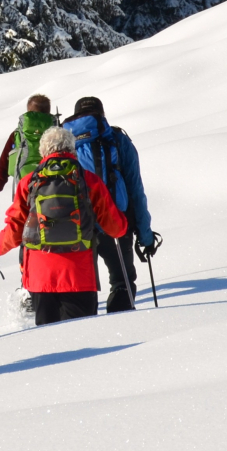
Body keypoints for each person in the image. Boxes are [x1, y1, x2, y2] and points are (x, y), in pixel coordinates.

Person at [0, 126, 128, 326]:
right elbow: (116, 228)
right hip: (79, 276)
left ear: (43, 152)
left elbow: (15, 227)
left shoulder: (29, 182)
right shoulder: (90, 180)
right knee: (83, 340)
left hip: (40, 277)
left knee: (51, 344)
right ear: (72, 150)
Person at [63, 96, 155, 312]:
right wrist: (145, 236)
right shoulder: (116, 139)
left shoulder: (66, 143)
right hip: (116, 222)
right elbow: (135, 189)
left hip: (78, 228)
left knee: (84, 289)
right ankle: (123, 331)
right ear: (101, 115)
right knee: (122, 283)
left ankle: (88, 332)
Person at [0, 95, 60, 217]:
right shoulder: (60, 135)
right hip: (57, 198)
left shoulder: (18, 136)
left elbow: (1, 171)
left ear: (29, 112)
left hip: (25, 200)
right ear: (49, 112)